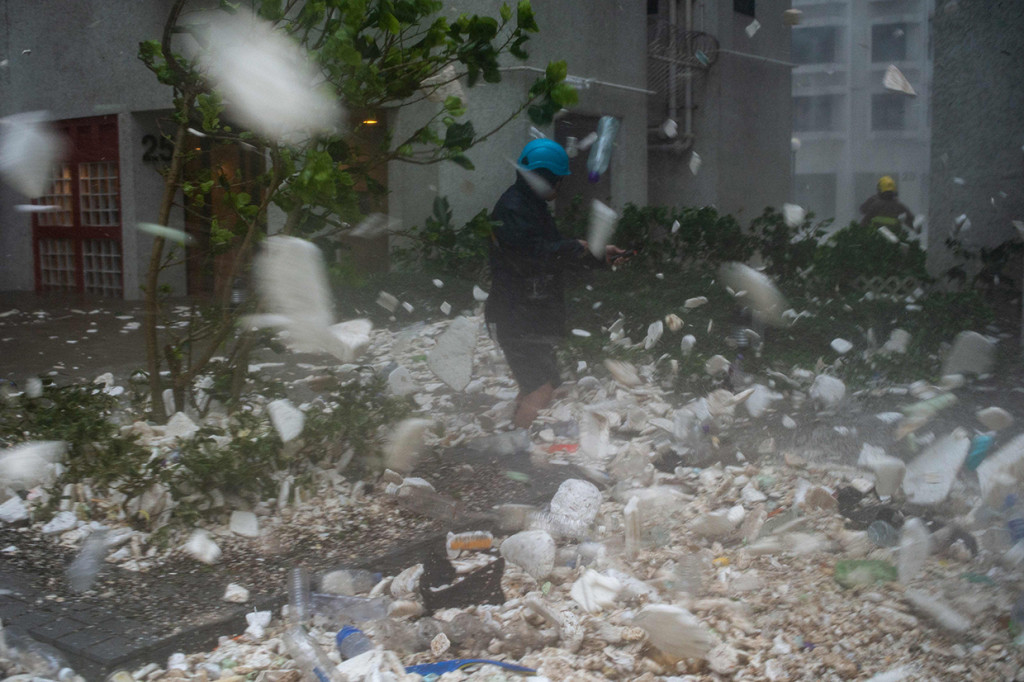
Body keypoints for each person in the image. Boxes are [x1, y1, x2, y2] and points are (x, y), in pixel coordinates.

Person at [485, 139, 625, 429]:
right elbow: (530, 256)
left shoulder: (529, 205)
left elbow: (550, 254)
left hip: (530, 316)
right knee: (541, 388)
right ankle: (517, 455)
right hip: (516, 316)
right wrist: (576, 247)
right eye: (558, 179)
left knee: (535, 385)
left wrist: (597, 255)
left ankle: (512, 438)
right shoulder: (513, 208)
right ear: (546, 177)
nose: (560, 186)